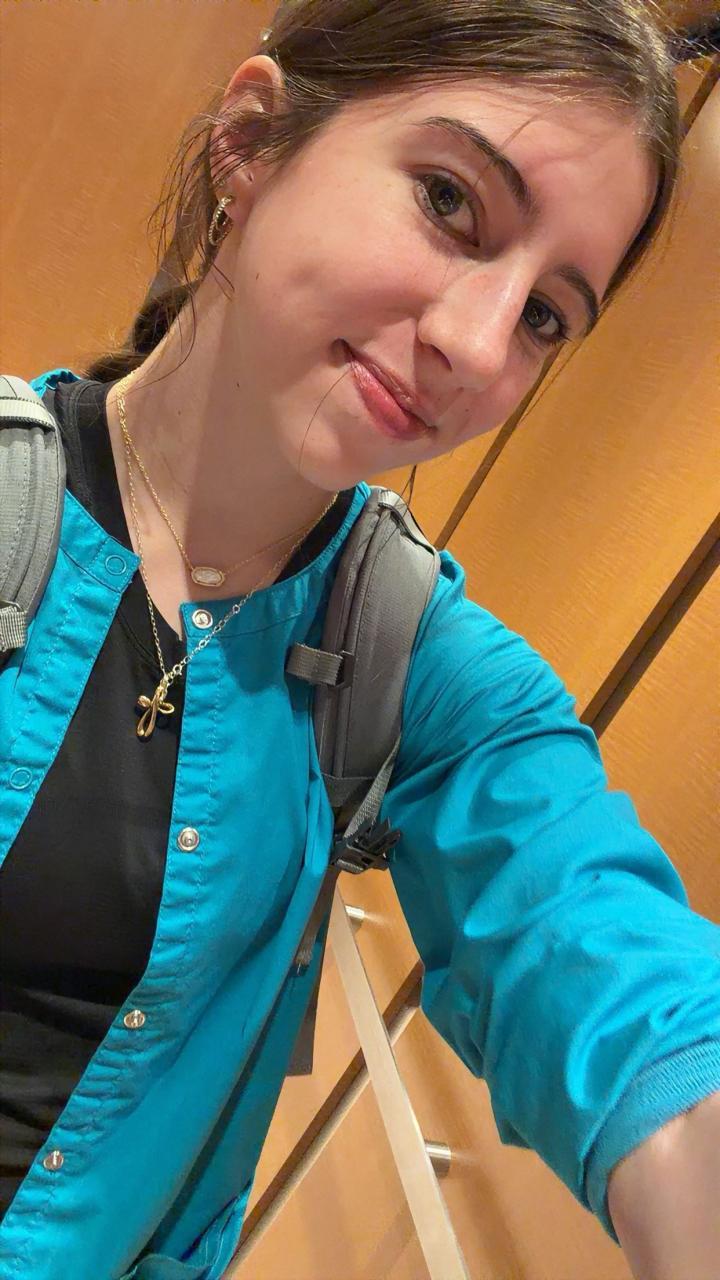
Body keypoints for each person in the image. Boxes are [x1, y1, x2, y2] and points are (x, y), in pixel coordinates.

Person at [1, 1, 718, 1277]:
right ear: (251, 138)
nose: (477, 345)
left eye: (546, 316)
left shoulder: (426, 671)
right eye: (449, 202)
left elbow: (598, 944)